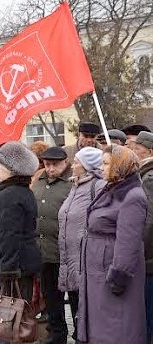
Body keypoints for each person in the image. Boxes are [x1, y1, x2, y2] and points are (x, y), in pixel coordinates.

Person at [77, 145, 147, 344]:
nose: (101, 168)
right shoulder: (111, 189)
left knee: (118, 326)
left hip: (111, 275)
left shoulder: (132, 197)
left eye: (106, 164)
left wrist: (118, 277)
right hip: (100, 271)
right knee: (102, 325)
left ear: (120, 166)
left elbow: (129, 242)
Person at [57, 147, 105, 341]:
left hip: (85, 258)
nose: (73, 165)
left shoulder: (98, 185)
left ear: (87, 166)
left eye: (77, 162)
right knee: (77, 307)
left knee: (88, 310)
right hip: (70, 257)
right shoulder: (75, 185)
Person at [0, 141, 42, 300]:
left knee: (15, 311)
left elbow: (10, 234)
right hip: (23, 261)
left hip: (16, 265)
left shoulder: (10, 195)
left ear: (11, 171)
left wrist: (7, 269)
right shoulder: (22, 191)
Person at [32, 146, 73, 344]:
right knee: (51, 296)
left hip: (66, 252)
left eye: (54, 165)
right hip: (44, 250)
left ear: (65, 162)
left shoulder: (72, 181)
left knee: (74, 297)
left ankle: (80, 332)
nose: (50, 169)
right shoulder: (39, 179)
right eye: (47, 165)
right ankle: (56, 333)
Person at [132, 131, 153, 343]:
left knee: (147, 316)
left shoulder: (149, 177)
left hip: (148, 261)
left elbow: (149, 221)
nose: (134, 151)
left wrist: (139, 252)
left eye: (138, 148)